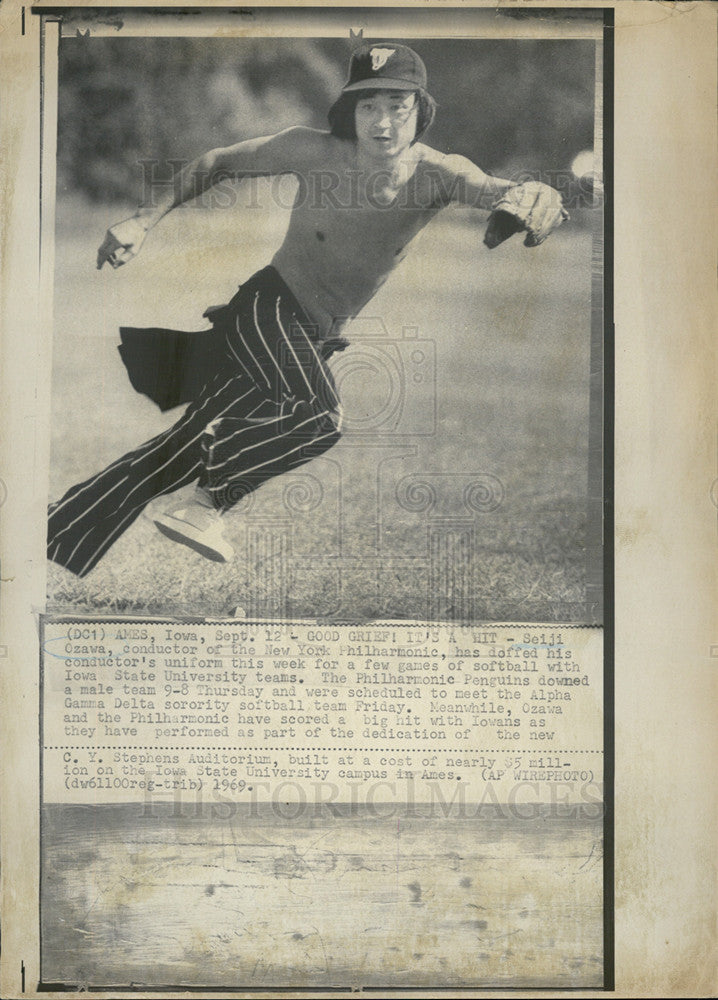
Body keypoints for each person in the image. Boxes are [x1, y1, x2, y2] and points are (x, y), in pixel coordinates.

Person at [47, 41, 567, 577]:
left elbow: (496, 189)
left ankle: (50, 529)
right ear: (350, 111)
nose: (382, 123)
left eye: (397, 106)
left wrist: (533, 193)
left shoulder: (438, 173)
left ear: (420, 111)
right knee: (320, 417)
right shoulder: (312, 150)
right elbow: (218, 162)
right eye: (369, 106)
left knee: (177, 450)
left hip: (313, 337)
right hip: (266, 309)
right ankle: (205, 506)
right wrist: (142, 220)